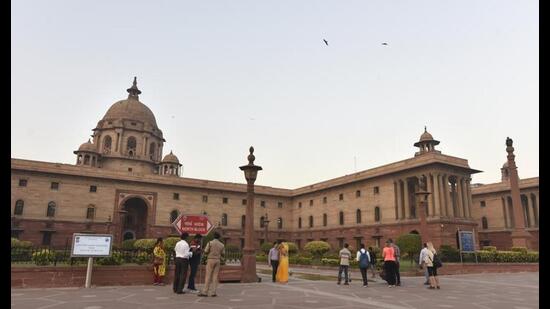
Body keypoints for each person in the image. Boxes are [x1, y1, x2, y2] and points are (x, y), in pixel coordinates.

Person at [198, 232, 225, 297]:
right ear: (219, 237)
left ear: (214, 236)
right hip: (217, 260)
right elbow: (223, 253)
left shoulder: (210, 243)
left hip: (210, 259)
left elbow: (206, 251)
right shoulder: (222, 245)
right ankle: (213, 292)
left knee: (208, 276)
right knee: (215, 276)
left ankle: (205, 292)